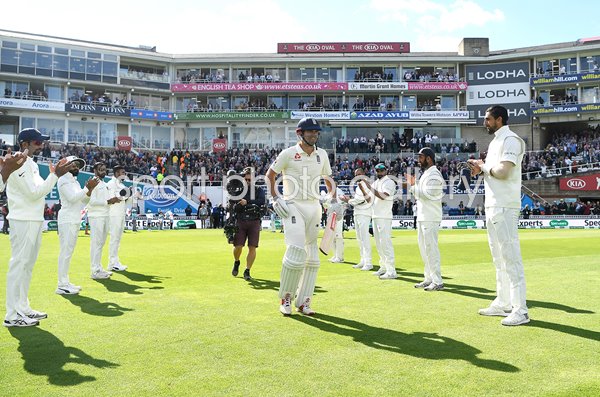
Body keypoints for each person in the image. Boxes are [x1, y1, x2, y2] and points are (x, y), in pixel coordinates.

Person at [468, 105, 529, 326]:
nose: (485, 122)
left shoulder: (511, 140)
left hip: (505, 206)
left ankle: (520, 310)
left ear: (499, 119)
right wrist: (480, 169)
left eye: (488, 119)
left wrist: (483, 166)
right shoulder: (495, 141)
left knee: (511, 257)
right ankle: (503, 303)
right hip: (493, 206)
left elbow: (503, 172)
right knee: (498, 258)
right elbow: (492, 171)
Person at [266, 117, 334, 316]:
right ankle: (285, 298)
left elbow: (327, 178)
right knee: (296, 254)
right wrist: (274, 198)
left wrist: (334, 198)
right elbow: (270, 175)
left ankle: (304, 302)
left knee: (312, 259)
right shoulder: (288, 153)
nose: (314, 135)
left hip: (314, 205)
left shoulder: (322, 155)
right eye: (310, 131)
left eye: (316, 132)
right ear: (300, 133)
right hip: (293, 204)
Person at [4, 129, 68, 327]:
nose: (41, 146)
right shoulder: (18, 162)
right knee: (19, 265)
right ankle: (11, 315)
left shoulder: (31, 164)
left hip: (33, 220)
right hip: (22, 220)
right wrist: (55, 175)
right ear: (25, 144)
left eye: (41, 143)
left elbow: (41, 191)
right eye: (37, 142)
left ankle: (23, 307)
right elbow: (34, 193)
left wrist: (52, 175)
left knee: (27, 267)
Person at [56, 156, 98, 295]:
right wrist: (87, 187)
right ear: (66, 166)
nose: (76, 168)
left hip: (74, 218)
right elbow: (72, 198)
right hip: (67, 219)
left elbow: (81, 203)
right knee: (65, 252)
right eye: (73, 165)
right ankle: (61, 285)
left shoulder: (74, 182)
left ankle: (65, 282)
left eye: (77, 166)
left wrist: (89, 191)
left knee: (68, 252)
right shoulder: (63, 180)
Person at [406, 147, 444, 291]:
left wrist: (412, 185)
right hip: (423, 216)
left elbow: (427, 195)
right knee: (424, 249)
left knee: (431, 249)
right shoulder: (426, 174)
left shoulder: (435, 174)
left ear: (429, 158)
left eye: (421, 157)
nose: (418, 160)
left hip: (430, 217)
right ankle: (428, 278)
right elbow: (419, 195)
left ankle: (437, 281)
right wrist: (414, 185)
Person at [230, 167, 266, 281]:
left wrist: (247, 202)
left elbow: (261, 201)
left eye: (250, 180)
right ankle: (237, 262)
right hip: (240, 220)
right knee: (238, 246)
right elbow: (232, 202)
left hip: (254, 220)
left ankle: (247, 270)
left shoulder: (259, 190)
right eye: (246, 179)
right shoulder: (238, 190)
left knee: (252, 247)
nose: (248, 182)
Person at [361, 163, 397, 279]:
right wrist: (363, 190)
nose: (379, 172)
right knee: (378, 244)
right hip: (375, 215)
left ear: (386, 170)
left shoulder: (389, 182)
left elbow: (383, 196)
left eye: (381, 170)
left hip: (384, 216)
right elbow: (369, 200)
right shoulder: (376, 183)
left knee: (385, 243)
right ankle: (383, 267)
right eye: (377, 170)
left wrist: (369, 187)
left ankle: (391, 271)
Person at [87, 162, 120, 280]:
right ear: (95, 171)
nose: (103, 171)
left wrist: (112, 200)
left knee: (100, 244)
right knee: (96, 243)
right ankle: (94, 271)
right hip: (96, 216)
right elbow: (90, 201)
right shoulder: (92, 182)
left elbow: (105, 200)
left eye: (104, 169)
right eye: (100, 169)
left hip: (105, 215)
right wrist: (108, 201)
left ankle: (99, 267)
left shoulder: (104, 184)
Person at [341, 168, 373, 271]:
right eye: (356, 174)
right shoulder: (358, 187)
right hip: (357, 213)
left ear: (363, 173)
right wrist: (350, 200)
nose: (358, 176)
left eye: (359, 174)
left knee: (365, 238)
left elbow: (361, 201)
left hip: (364, 213)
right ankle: (363, 260)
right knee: (359, 239)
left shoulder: (367, 185)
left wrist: (348, 200)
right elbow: (357, 201)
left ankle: (368, 262)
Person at [106, 165, 130, 272]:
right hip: (114, 214)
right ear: (116, 173)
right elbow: (111, 200)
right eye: (122, 172)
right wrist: (123, 195)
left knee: (118, 239)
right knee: (114, 238)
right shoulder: (111, 184)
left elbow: (125, 200)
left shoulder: (121, 185)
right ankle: (112, 263)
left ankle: (115, 261)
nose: (124, 174)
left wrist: (129, 195)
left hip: (121, 213)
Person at [325, 187, 347, 263]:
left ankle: (340, 257)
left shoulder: (339, 191)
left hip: (337, 216)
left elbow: (343, 202)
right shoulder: (328, 192)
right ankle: (335, 255)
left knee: (338, 236)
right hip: (330, 215)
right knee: (332, 236)